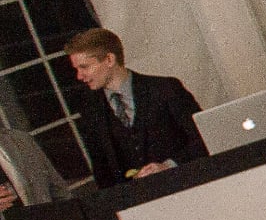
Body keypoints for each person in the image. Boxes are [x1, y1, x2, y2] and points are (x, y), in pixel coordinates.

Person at [63, 28, 207, 188]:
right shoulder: (91, 110)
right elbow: (103, 173)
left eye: (84, 67)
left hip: (189, 187)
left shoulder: (166, 89)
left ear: (109, 59)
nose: (79, 76)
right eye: (77, 69)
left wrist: (169, 165)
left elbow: (204, 138)